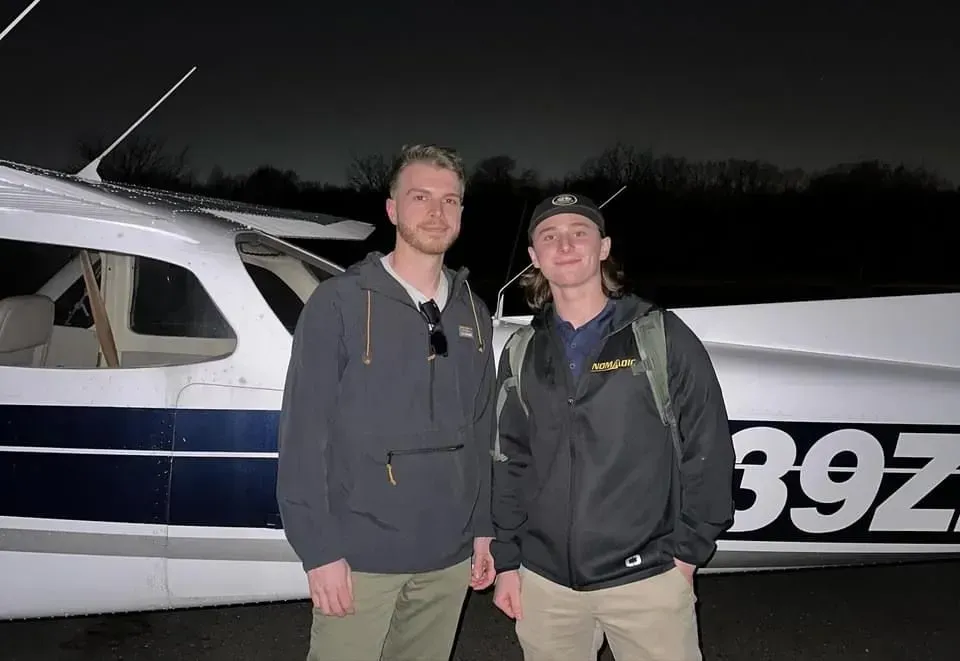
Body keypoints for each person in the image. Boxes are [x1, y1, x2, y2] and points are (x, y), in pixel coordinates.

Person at [489, 192, 735, 660]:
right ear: (533, 258)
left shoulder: (660, 335)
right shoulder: (521, 349)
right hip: (546, 587)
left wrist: (686, 554)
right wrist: (507, 562)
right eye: (550, 236)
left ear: (603, 248)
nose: (565, 244)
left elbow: (708, 448)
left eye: (579, 233)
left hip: (647, 581)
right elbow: (509, 459)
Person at [276, 144, 498, 661]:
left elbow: (482, 426)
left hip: (448, 557)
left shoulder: (474, 311)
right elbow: (303, 435)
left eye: (450, 200)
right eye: (420, 197)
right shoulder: (339, 303)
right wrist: (319, 551)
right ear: (393, 209)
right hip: (359, 559)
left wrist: (484, 529)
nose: (436, 212)